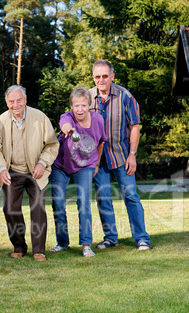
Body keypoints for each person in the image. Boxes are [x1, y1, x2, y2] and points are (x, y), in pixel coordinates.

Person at [0, 85, 59, 262]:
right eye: (11, 101)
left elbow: (52, 144)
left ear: (25, 99)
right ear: (6, 102)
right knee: (10, 209)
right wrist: (1, 168)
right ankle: (19, 246)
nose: (15, 104)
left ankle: (39, 250)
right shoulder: (0, 121)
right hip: (12, 171)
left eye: (19, 100)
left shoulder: (40, 117)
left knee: (38, 210)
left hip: (37, 170)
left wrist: (43, 163)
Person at [90, 59, 151, 250]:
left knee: (131, 196)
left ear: (112, 77)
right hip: (98, 160)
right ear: (93, 78)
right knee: (103, 197)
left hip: (122, 157)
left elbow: (134, 126)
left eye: (105, 76)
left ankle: (142, 239)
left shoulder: (125, 96)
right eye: (97, 76)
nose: (101, 80)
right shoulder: (87, 97)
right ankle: (110, 238)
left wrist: (132, 154)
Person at [50, 86, 106, 257]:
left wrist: (95, 164)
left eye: (83, 105)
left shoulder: (97, 120)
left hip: (86, 164)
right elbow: (64, 124)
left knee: (83, 202)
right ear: (71, 106)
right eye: (76, 106)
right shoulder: (67, 117)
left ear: (89, 105)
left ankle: (86, 244)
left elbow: (101, 142)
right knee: (58, 202)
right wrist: (68, 130)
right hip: (61, 164)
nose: (79, 109)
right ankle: (62, 242)